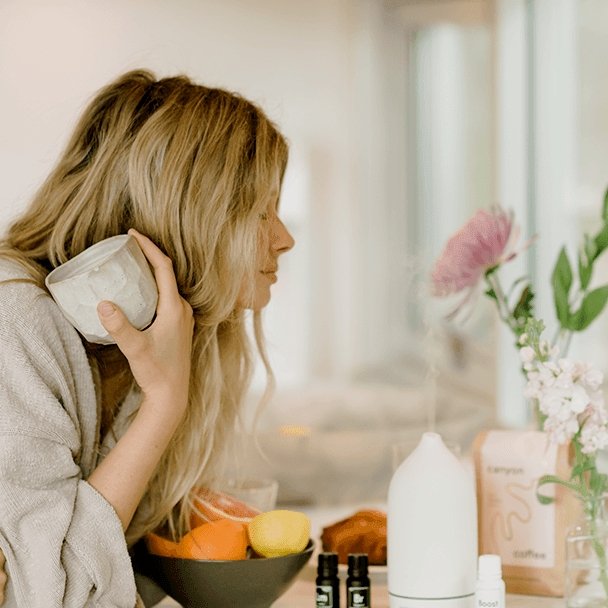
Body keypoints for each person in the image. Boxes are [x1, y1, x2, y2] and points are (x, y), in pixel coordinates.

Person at [0, 69, 295, 607]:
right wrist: (163, 404)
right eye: (259, 211)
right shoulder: (14, 320)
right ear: (189, 216)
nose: (285, 238)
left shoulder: (171, 338)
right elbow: (54, 600)